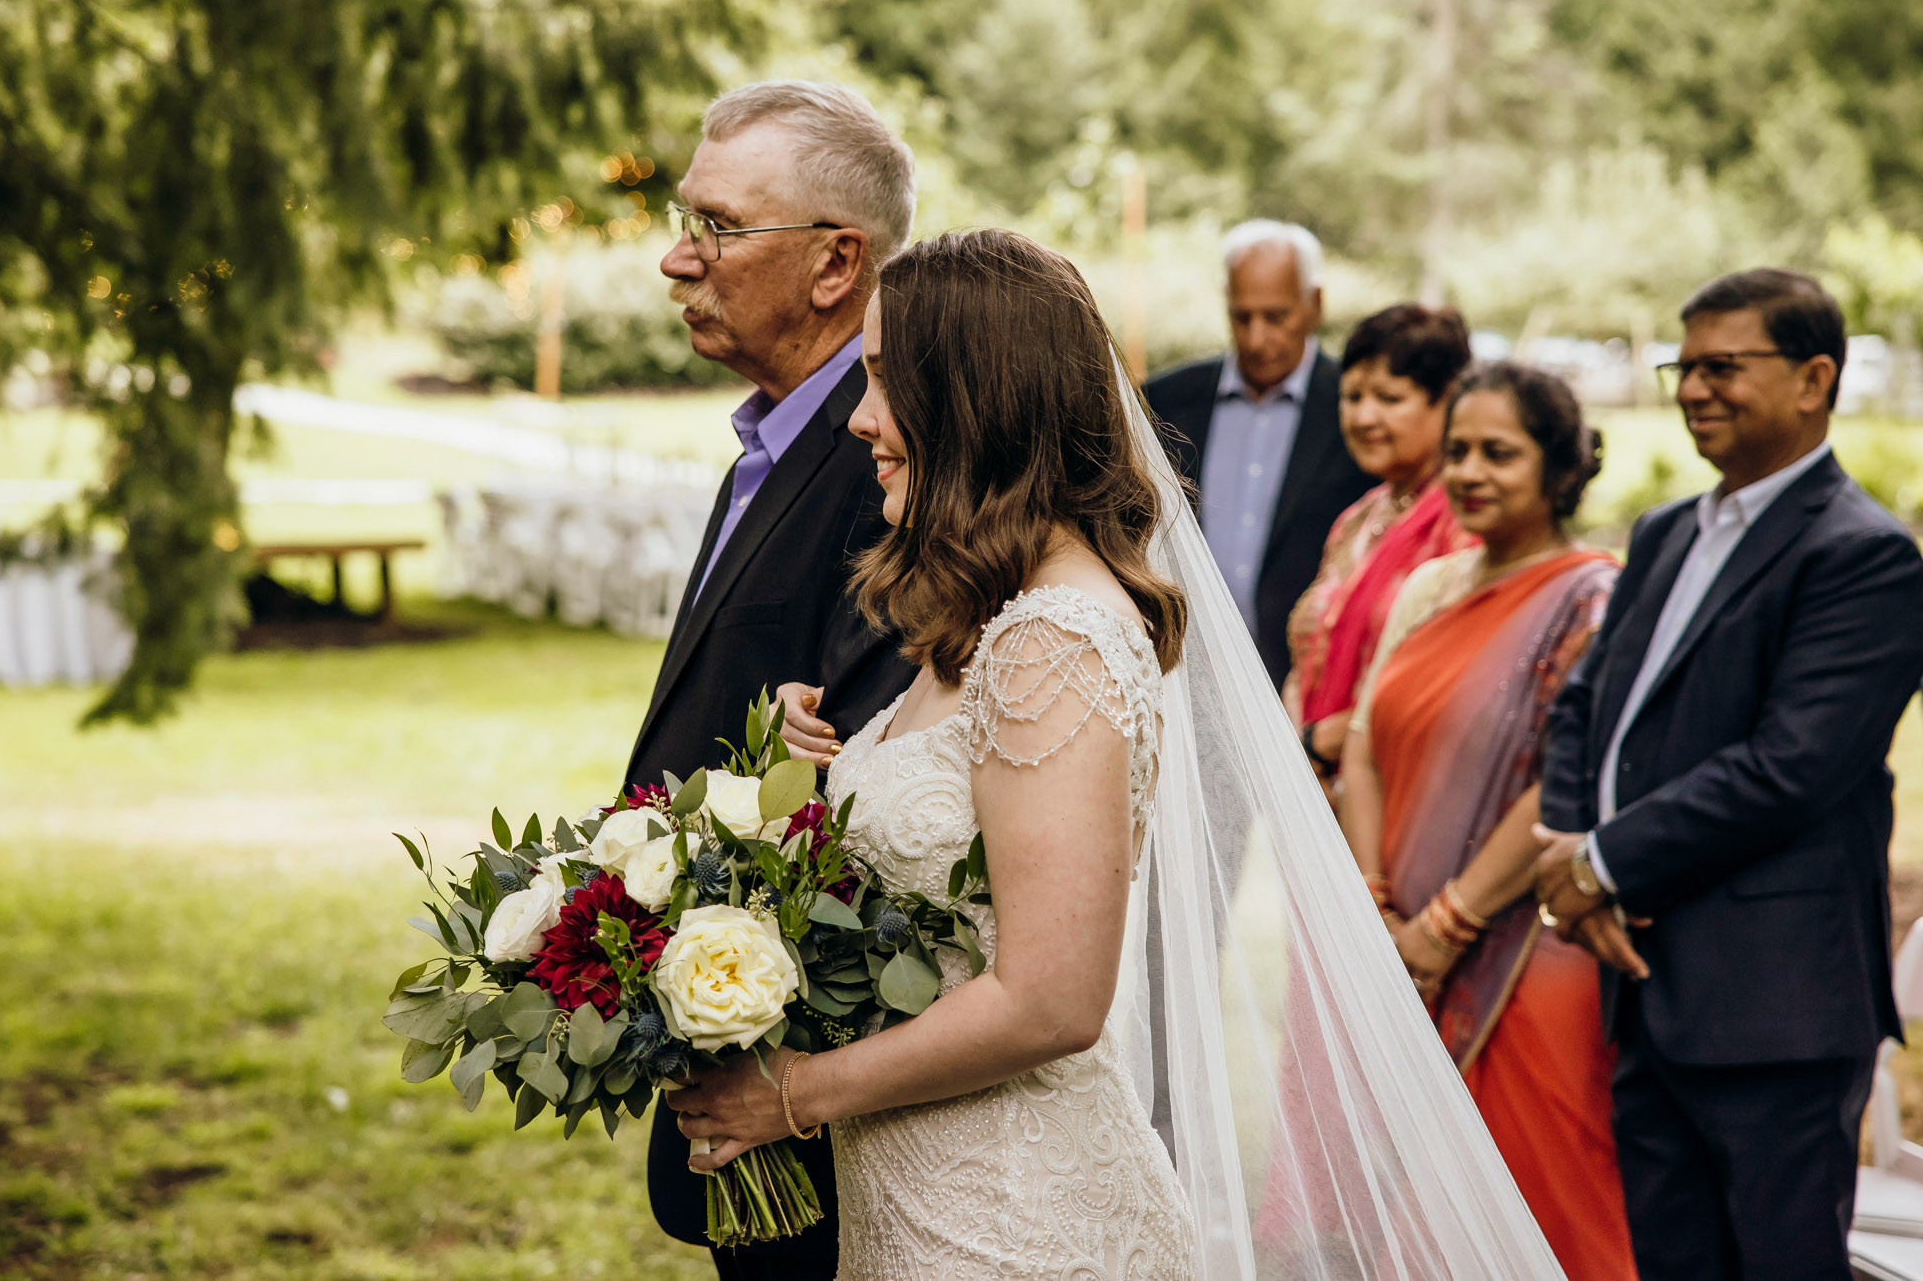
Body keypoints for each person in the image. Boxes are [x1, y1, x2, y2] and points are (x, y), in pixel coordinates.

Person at [670, 229, 1574, 1280]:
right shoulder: (988, 613)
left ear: (973, 397)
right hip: (921, 1201)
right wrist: (798, 774)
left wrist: (789, 1095)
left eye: (881, 381)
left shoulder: (1055, 637)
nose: (861, 418)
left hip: (1014, 1227)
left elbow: (1051, 999)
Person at [1533, 268, 1923, 1281]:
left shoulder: (1863, 557)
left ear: (1812, 379)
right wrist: (1567, 854)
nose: (1692, 388)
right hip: (1644, 984)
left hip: (1773, 1002)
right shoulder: (1666, 532)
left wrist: (1602, 863)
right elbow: (1583, 706)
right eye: (1682, 366)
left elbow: (1790, 766)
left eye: (1721, 366)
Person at [628, 79, 917, 1280]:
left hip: (819, 1099)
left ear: (834, 264)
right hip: (729, 1060)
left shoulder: (882, 468)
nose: (673, 258)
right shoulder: (773, 435)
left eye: (717, 226)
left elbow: (874, 794)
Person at [1339, 363, 1632, 1280]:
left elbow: (1565, 782)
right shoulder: (1431, 588)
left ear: (1560, 468)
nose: (1469, 472)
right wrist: (1379, 910)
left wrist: (1445, 925)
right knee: (1424, 1216)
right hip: (1400, 948)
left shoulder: (1593, 596)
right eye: (1459, 450)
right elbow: (1364, 746)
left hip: (1524, 958)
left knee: (1538, 1202)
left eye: (1499, 453)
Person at [1145, 220, 1376, 687]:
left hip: (1300, 686)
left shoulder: (1355, 411)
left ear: (1314, 305)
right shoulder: (1164, 402)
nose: (1255, 338)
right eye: (1241, 316)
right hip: (1182, 678)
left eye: (1276, 317)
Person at [1284, 303, 1477, 791]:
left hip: (1403, 789)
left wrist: (1324, 743)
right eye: (1352, 396)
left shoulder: (1463, 526)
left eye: (1389, 398)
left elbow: (1452, 683)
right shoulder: (1357, 519)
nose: (1364, 417)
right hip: (1315, 791)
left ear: (1449, 401)